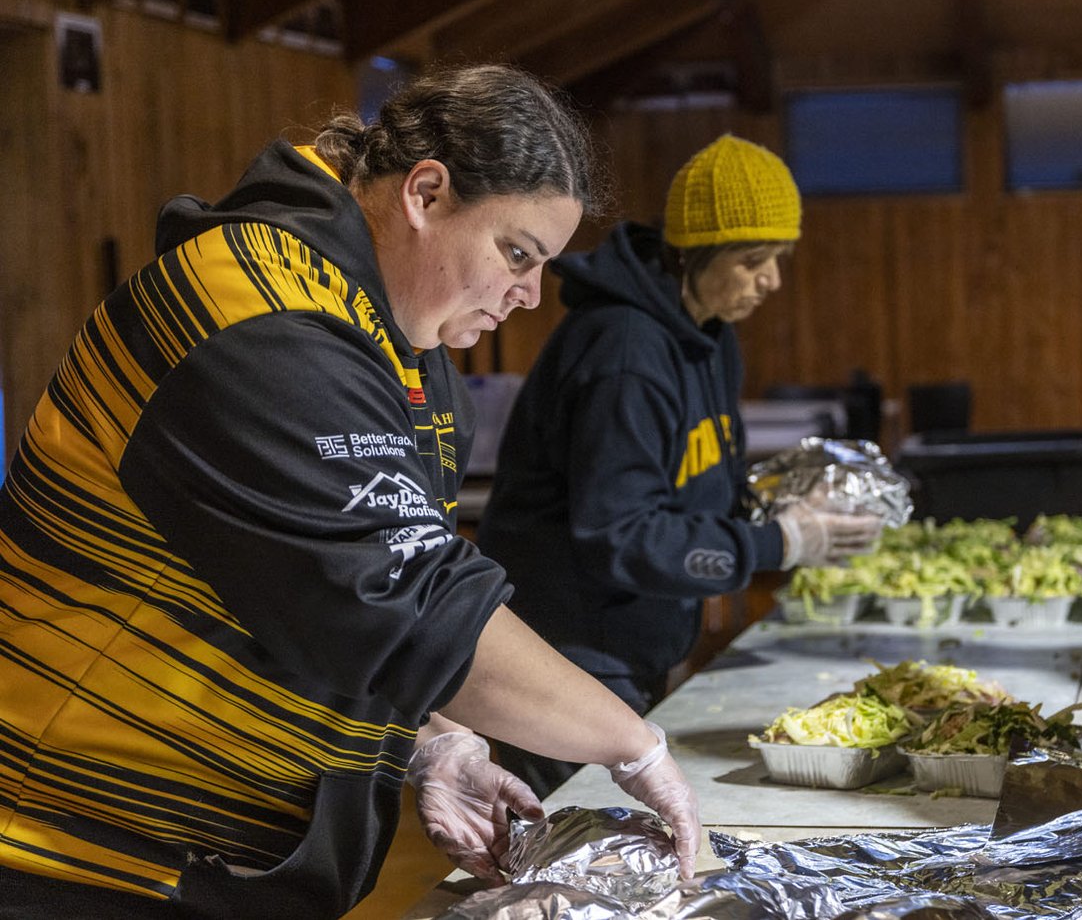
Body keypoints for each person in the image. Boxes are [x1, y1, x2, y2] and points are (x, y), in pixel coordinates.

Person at [0, 64, 701, 919]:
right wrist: (632, 744)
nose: (529, 293)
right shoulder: (261, 322)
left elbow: (318, 593)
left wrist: (433, 742)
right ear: (427, 193)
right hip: (79, 851)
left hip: (208, 857)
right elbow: (409, 602)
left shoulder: (393, 338)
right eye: (517, 252)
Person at [476, 134, 883, 795]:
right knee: (595, 858)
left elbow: (704, 480)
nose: (772, 280)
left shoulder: (708, 335)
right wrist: (778, 540)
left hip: (634, 637)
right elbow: (622, 533)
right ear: (693, 252)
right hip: (565, 649)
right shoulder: (625, 352)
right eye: (754, 260)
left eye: (780, 259)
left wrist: (773, 508)